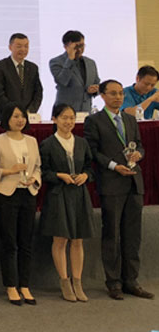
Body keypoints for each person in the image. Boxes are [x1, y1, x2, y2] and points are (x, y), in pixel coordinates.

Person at [84, 80, 154, 300]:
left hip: (134, 182)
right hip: (112, 181)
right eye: (113, 93)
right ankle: (113, 282)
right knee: (112, 234)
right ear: (103, 96)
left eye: (121, 93)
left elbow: (139, 145)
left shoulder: (130, 119)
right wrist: (114, 166)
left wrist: (138, 154)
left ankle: (131, 280)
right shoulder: (94, 120)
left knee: (133, 235)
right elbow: (93, 152)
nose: (118, 97)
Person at [0, 104, 41, 305]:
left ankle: (24, 285)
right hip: (6, 193)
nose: (20, 120)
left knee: (26, 241)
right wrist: (10, 171)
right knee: (9, 241)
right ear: (7, 118)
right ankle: (10, 285)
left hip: (28, 193)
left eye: (23, 116)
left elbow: (38, 167)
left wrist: (34, 179)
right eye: (16, 116)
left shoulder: (32, 141)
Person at [39, 103, 95, 303]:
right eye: (64, 117)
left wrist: (85, 175)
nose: (69, 122)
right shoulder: (47, 144)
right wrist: (59, 175)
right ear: (54, 119)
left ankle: (77, 281)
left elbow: (90, 167)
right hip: (58, 195)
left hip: (79, 195)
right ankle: (64, 281)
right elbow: (42, 172)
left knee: (78, 240)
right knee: (61, 239)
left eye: (72, 118)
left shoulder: (82, 142)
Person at [0, 33, 43, 120]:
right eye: (19, 46)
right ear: (10, 47)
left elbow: (38, 93)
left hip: (27, 117)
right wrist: (13, 111)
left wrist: (30, 110)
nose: (23, 49)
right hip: (5, 115)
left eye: (26, 46)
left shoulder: (33, 67)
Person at [49, 30, 99, 113]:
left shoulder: (90, 63)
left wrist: (95, 90)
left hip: (86, 111)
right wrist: (70, 59)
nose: (79, 49)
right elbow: (62, 81)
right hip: (64, 112)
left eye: (82, 45)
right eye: (76, 47)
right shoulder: (56, 62)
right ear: (66, 47)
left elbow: (97, 83)